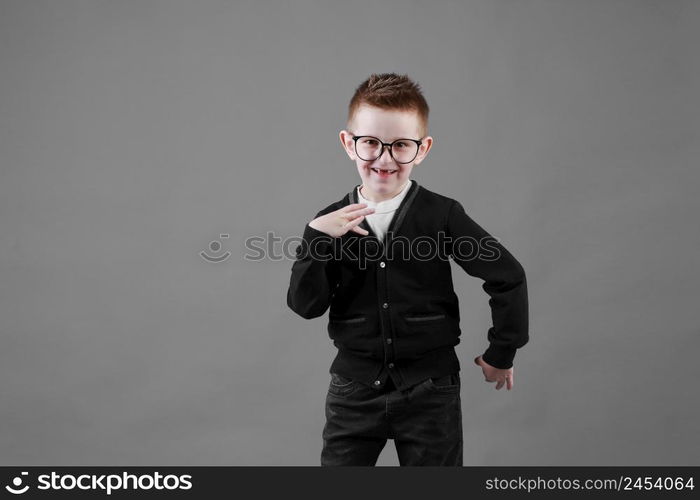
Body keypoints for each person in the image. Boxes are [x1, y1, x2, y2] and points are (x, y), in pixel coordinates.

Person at [286, 73, 529, 466]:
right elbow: (305, 305)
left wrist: (502, 352)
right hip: (354, 391)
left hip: (431, 391)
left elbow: (507, 275)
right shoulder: (327, 222)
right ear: (349, 144)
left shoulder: (442, 214)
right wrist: (315, 238)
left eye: (400, 145)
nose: (384, 159)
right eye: (370, 143)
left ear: (422, 149)